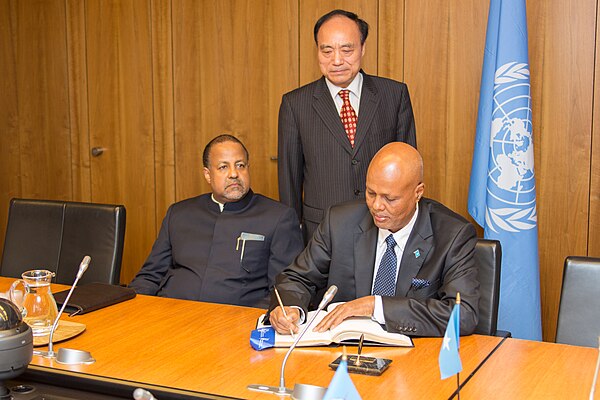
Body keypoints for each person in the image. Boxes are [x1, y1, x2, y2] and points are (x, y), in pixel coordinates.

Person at [269, 143, 479, 337]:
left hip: (415, 356)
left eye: (390, 198)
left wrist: (375, 306)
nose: (377, 206)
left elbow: (463, 315)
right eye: (371, 193)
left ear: (418, 193)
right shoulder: (340, 222)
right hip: (343, 350)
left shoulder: (452, 235)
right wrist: (290, 308)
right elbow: (296, 278)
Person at [278, 9, 417, 242]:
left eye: (347, 49)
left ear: (362, 48)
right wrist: (293, 242)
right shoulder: (295, 104)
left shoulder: (394, 95)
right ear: (318, 51)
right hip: (322, 233)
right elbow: (289, 183)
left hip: (383, 229)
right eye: (327, 50)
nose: (337, 60)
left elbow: (409, 170)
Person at [129, 134, 304, 308]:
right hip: (170, 314)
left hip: (234, 323)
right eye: (223, 167)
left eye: (240, 165)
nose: (234, 174)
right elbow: (150, 276)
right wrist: (127, 310)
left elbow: (283, 291)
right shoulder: (179, 213)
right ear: (207, 174)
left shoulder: (278, 217)